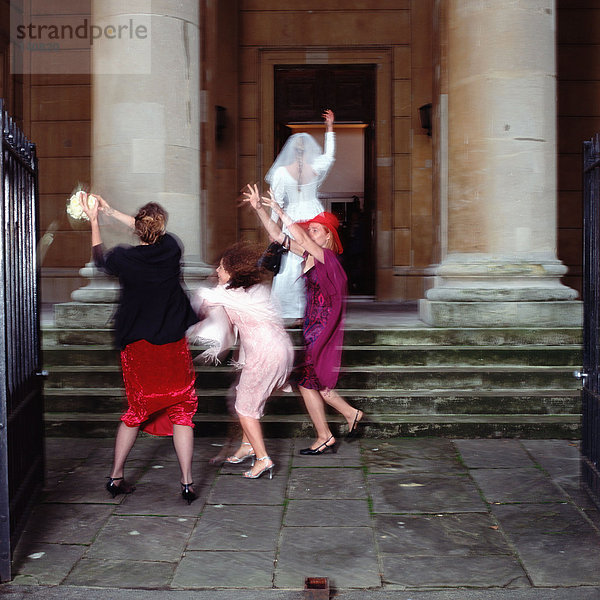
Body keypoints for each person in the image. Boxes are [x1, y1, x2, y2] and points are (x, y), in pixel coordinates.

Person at [79, 193, 200, 504]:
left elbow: (99, 259)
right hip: (172, 346)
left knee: (135, 411)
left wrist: (96, 219)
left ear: (139, 230)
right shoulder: (172, 247)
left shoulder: (124, 259)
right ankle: (187, 483)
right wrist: (112, 210)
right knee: (181, 411)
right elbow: (149, 228)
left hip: (139, 347)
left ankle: (116, 476)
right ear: (161, 227)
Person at [243, 184, 365, 455]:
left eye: (316, 229)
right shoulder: (310, 255)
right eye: (309, 228)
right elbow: (278, 236)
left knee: (308, 379)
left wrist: (280, 209)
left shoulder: (328, 257)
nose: (310, 231)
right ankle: (348, 415)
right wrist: (261, 210)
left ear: (329, 237)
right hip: (311, 325)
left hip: (322, 328)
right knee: (310, 380)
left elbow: (300, 237)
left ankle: (327, 433)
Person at [190, 242, 294, 479]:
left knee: (245, 408)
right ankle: (247, 445)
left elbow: (202, 298)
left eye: (221, 267)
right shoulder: (256, 289)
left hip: (265, 354)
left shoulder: (228, 293)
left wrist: (192, 329)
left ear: (233, 271)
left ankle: (263, 458)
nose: (217, 271)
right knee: (247, 397)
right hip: (280, 349)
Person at [265, 109, 336, 321]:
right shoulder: (315, 167)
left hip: (292, 217)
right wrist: (329, 128)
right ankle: (314, 307)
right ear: (308, 152)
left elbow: (274, 202)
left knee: (291, 261)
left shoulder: (280, 172)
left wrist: (273, 228)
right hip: (313, 214)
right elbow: (330, 157)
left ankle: (291, 310)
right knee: (313, 259)